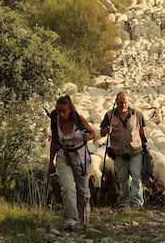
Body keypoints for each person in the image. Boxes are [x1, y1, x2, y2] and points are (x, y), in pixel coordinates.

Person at [47, 95, 95, 231]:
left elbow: (92, 133)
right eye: (59, 111)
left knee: (83, 190)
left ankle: (85, 217)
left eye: (64, 111)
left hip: (80, 156)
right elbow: (55, 141)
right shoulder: (55, 120)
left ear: (70, 110)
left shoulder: (78, 119)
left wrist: (88, 136)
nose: (61, 114)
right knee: (67, 188)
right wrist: (51, 162)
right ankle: (71, 219)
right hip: (63, 155)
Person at [100, 91, 146, 209]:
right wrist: (107, 130)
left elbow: (142, 130)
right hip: (119, 152)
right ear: (116, 102)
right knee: (122, 179)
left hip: (135, 151)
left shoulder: (137, 114)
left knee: (136, 177)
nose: (123, 105)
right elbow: (101, 132)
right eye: (120, 103)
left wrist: (144, 143)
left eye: (125, 102)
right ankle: (123, 202)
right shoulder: (109, 115)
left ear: (128, 101)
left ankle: (137, 204)